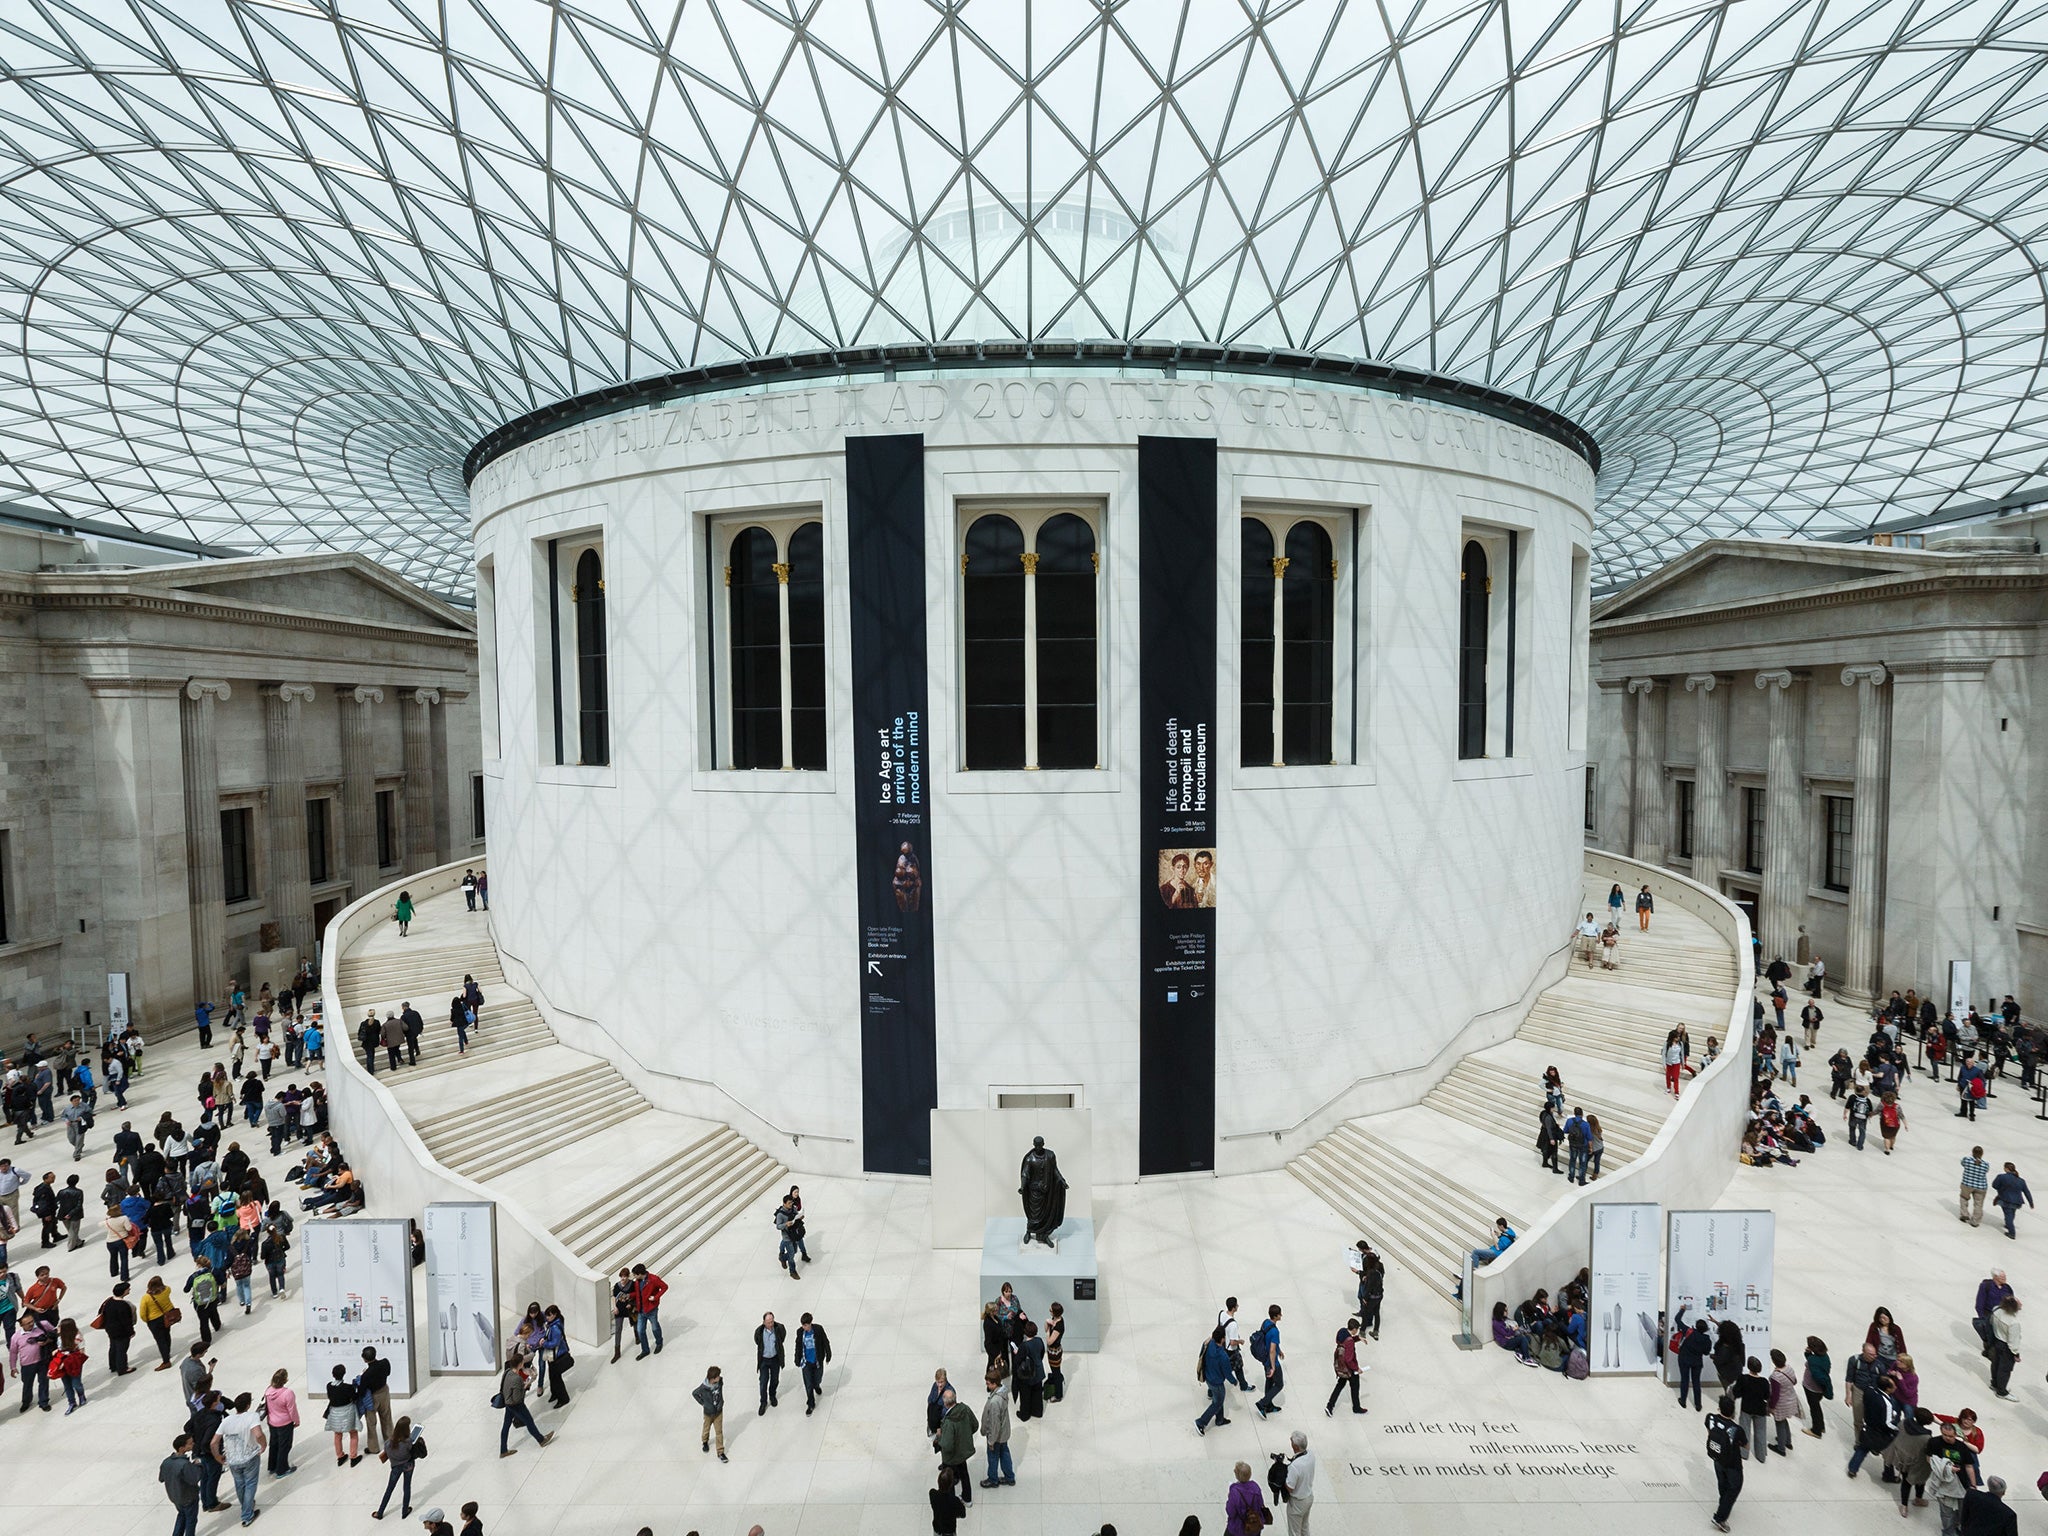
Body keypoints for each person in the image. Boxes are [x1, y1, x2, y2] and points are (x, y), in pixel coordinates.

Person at [216, 1390, 267, 1526]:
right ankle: (247, 1515)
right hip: (249, 1457)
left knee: (240, 1484)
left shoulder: (227, 1420)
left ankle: (246, 1504)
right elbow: (258, 1434)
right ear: (248, 1405)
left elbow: (213, 1442)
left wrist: (218, 1457)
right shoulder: (252, 1417)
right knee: (250, 1484)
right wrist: (263, 1445)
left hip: (233, 1460)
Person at [497, 1349, 552, 1456]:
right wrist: (527, 1385)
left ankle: (503, 1450)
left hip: (508, 1403)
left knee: (506, 1425)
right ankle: (541, 1440)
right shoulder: (517, 1379)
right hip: (516, 1405)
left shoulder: (507, 1372)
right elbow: (518, 1398)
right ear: (520, 1364)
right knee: (529, 1421)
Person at [1705, 1392, 1747, 1530]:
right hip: (1732, 1463)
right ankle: (1720, 1517)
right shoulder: (1736, 1429)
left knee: (1722, 1483)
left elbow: (1709, 1432)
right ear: (1733, 1411)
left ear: (1719, 1408)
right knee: (1734, 1487)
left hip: (1717, 1457)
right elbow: (1745, 1445)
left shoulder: (1710, 1418)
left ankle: (1723, 1504)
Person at [372, 1414, 422, 1518]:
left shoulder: (388, 1443)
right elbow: (410, 1451)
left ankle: (380, 1512)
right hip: (408, 1465)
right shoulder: (408, 1442)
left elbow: (388, 1453)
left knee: (389, 1489)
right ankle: (404, 1511)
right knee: (407, 1487)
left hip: (395, 1467)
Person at [936, 1386, 978, 1508]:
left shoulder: (949, 1422)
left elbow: (947, 1445)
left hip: (950, 1457)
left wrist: (939, 1438)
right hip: (963, 1452)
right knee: (964, 1474)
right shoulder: (965, 1409)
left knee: (948, 1480)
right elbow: (975, 1425)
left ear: (945, 1403)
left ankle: (950, 1504)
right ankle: (967, 1499)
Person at [162, 1433, 205, 1536]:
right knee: (191, 1521)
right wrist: (198, 1465)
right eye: (190, 1444)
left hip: (175, 1497)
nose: (193, 1444)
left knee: (182, 1515)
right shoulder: (184, 1464)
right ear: (182, 1448)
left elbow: (162, 1478)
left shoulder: (166, 1462)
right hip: (188, 1497)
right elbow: (194, 1478)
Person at [979, 1371, 1013, 1488]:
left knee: (993, 1457)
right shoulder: (1003, 1393)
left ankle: (993, 1479)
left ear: (994, 1384)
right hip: (1004, 1433)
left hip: (996, 1436)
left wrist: (991, 1441)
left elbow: (994, 1424)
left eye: (988, 1384)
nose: (987, 1386)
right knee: (1005, 1453)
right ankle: (1009, 1477)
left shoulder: (994, 1402)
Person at [1325, 1317, 1365, 1416]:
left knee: (1339, 1385)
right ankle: (1356, 1407)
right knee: (1355, 1387)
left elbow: (1346, 1341)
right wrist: (1356, 1369)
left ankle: (1329, 1406)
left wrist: (1358, 1338)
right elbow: (1348, 1359)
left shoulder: (1342, 1331)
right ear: (1354, 1329)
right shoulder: (1350, 1341)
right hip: (1349, 1369)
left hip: (1341, 1366)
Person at [263, 1369, 299, 1478]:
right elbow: (292, 1410)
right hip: (285, 1423)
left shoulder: (268, 1391)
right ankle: (282, 1470)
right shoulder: (288, 1393)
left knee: (274, 1444)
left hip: (272, 1422)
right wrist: (296, 1421)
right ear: (285, 1380)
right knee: (284, 1446)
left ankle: (272, 1466)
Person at [1196, 1325, 1232, 1432]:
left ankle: (1220, 1420)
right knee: (1217, 1403)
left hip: (1208, 1377)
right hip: (1217, 1383)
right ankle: (1201, 1422)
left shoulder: (1208, 1344)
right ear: (1222, 1339)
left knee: (1218, 1400)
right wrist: (1234, 1381)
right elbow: (1227, 1373)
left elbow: (1200, 1354)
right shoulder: (1223, 1356)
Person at [1250, 1303, 1284, 1418]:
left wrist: (1279, 1350)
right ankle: (1262, 1403)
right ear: (1275, 1316)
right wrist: (1273, 1367)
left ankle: (1268, 1406)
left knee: (1269, 1381)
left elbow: (1267, 1341)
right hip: (1271, 1361)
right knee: (1279, 1384)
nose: (1281, 1316)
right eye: (1279, 1314)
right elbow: (1272, 1350)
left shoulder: (1265, 1323)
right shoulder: (1275, 1332)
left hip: (1264, 1360)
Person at [794, 1311, 832, 1414]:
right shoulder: (800, 1332)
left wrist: (828, 1354)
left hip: (817, 1361)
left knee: (817, 1378)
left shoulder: (818, 1329)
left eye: (806, 1325)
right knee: (808, 1383)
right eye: (803, 1325)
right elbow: (798, 1346)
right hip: (806, 1362)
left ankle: (817, 1385)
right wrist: (797, 1359)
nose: (804, 1327)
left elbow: (825, 1342)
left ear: (810, 1323)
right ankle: (811, 1403)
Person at [1734, 1357, 1770, 1463]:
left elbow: (1737, 1393)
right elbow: (1766, 1396)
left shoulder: (1743, 1378)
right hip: (1760, 1409)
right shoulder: (1764, 1381)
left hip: (1747, 1408)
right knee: (1761, 1432)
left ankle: (1744, 1453)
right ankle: (1761, 1455)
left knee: (1745, 1431)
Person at [1284, 1430, 1316, 1534]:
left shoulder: (1295, 1466)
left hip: (1297, 1503)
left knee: (1294, 1532)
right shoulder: (1311, 1455)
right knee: (1304, 1527)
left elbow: (1290, 1487)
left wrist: (1283, 1476)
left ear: (1296, 1447)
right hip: (1308, 1496)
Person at [754, 1310, 786, 1414]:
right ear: (764, 1322)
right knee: (763, 1382)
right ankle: (763, 1402)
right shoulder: (759, 1332)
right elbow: (757, 1341)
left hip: (775, 1359)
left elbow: (782, 1338)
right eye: (768, 1322)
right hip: (764, 1360)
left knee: (775, 1379)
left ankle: (772, 1395)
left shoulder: (779, 1328)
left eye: (772, 1321)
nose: (771, 1324)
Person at [1987, 1296, 2020, 1397]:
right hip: (2006, 1347)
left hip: (1996, 1341)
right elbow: (2013, 1341)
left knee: (1995, 1364)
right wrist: (2016, 1353)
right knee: (2005, 1369)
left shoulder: (1996, 1311)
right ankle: (2001, 1391)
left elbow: (1991, 1323)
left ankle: (1994, 1383)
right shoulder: (2014, 1322)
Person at [1225, 1460, 1269, 1536]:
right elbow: (1260, 1504)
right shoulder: (1255, 1487)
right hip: (1254, 1527)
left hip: (1237, 1529)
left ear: (1237, 1475)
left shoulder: (1234, 1492)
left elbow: (1231, 1512)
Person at [632, 1263, 667, 1357]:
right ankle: (645, 1350)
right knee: (640, 1331)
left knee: (655, 1328)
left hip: (651, 1309)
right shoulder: (637, 1282)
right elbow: (637, 1293)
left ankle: (659, 1343)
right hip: (641, 1310)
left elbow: (664, 1287)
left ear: (640, 1274)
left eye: (635, 1274)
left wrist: (655, 1297)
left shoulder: (653, 1279)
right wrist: (629, 1296)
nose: (634, 1277)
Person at [694, 1365, 727, 1461]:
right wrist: (703, 1403)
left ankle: (720, 1452)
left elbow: (720, 1389)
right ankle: (705, 1441)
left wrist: (721, 1403)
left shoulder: (720, 1382)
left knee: (719, 1432)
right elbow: (695, 1393)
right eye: (717, 1376)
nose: (719, 1377)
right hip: (708, 1413)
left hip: (718, 1412)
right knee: (706, 1428)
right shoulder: (704, 1387)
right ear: (712, 1378)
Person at [1675, 1318, 1711, 1409]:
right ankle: (1698, 1404)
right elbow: (1706, 1352)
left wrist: (1682, 1310)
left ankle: (1683, 1401)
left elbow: (1677, 1320)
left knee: (1684, 1380)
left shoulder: (1688, 1332)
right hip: (1697, 1362)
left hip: (1684, 1360)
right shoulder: (1707, 1339)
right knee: (1696, 1382)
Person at [1800, 1336, 1831, 1438]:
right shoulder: (1825, 1357)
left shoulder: (1813, 1360)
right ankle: (1821, 1426)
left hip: (1811, 1388)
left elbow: (1813, 1367)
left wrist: (1808, 1354)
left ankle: (1816, 1430)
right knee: (1817, 1407)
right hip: (1819, 1389)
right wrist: (1808, 1353)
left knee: (1814, 1409)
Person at [1990, 1162, 2033, 1238]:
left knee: (2008, 1215)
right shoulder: (2021, 1180)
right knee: (2012, 1213)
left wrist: (2001, 1189)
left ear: (2006, 1168)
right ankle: (2008, 1224)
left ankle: (2011, 1233)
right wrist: (2031, 1202)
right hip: (2017, 1202)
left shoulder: (2001, 1177)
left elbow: (1994, 1185)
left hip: (2006, 1200)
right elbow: (2027, 1192)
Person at [929, 1467, 966, 1535]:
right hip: (949, 1531)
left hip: (937, 1527)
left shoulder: (932, 1493)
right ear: (951, 1484)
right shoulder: (955, 1500)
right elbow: (963, 1514)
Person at [1961, 1147, 1992, 1226]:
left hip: (1967, 1184)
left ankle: (1964, 1214)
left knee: (1964, 1198)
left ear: (1972, 1152)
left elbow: (1962, 1163)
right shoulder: (1985, 1164)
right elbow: (1986, 1171)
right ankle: (1975, 1221)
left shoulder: (1967, 1160)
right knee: (1978, 1204)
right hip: (1981, 1186)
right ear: (1982, 1154)